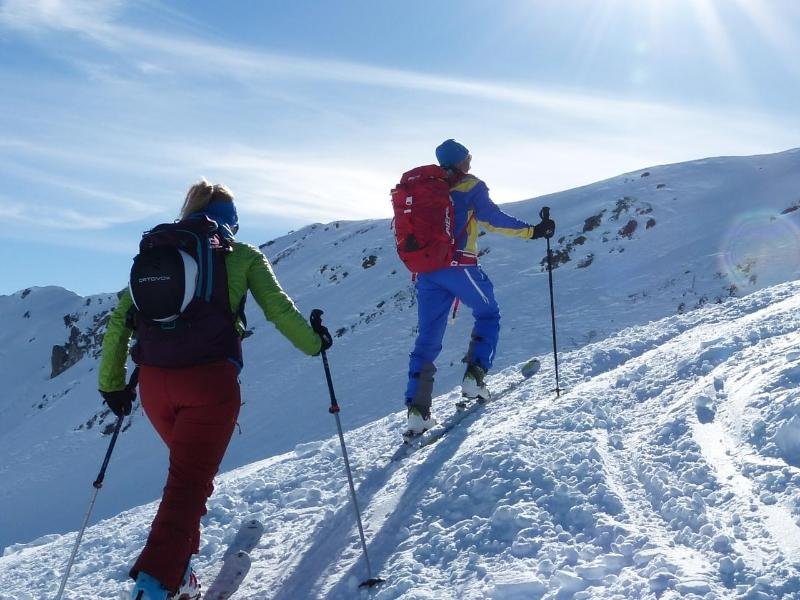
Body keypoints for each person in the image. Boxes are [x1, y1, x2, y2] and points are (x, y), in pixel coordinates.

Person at [98, 179, 332, 600]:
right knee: (188, 485)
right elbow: (278, 310)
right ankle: (153, 585)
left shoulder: (158, 253)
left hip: (154, 386)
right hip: (209, 385)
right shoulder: (240, 255)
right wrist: (316, 343)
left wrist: (112, 386)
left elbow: (120, 319)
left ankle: (180, 571)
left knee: (189, 479)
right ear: (232, 221)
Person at [405, 139, 555, 434]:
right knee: (488, 314)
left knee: (427, 340)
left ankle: (417, 410)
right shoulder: (470, 185)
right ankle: (474, 377)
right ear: (460, 161)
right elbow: (493, 219)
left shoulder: (425, 189)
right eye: (468, 157)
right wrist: (533, 231)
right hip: (460, 267)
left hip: (426, 272)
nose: (470, 162)